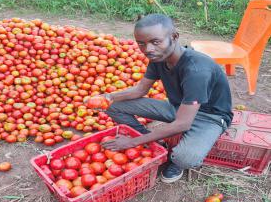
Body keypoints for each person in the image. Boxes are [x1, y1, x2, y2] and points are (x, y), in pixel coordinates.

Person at [97, 14, 233, 183]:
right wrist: (108, 97)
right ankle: (151, 141)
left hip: (210, 117)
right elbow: (140, 90)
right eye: (141, 43)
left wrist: (131, 143)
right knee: (112, 106)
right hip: (177, 107)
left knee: (184, 158)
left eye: (155, 41)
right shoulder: (158, 58)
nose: (148, 49)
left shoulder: (196, 70)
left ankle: (174, 161)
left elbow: (183, 124)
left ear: (174, 37)